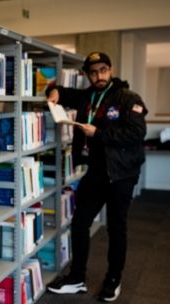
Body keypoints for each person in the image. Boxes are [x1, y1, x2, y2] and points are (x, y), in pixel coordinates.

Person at [46, 51, 147, 302]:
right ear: (87, 75)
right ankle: (77, 277)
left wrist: (99, 134)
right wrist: (56, 91)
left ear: (110, 70)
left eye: (103, 70)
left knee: (116, 227)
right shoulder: (89, 95)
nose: (98, 75)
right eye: (93, 72)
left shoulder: (127, 98)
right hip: (96, 171)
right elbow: (69, 95)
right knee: (80, 223)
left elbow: (136, 133)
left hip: (122, 174)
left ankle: (114, 279)